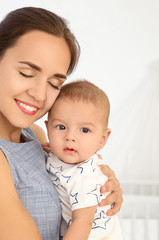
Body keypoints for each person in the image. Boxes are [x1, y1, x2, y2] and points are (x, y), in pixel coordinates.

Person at [0, 7, 123, 239]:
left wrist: (100, 192)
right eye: (27, 73)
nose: (39, 94)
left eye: (54, 83)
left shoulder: (34, 134)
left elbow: (69, 187)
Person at [45, 80, 123, 239]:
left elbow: (82, 222)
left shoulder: (86, 177)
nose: (70, 137)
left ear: (102, 139)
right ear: (48, 128)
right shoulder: (56, 157)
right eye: (61, 127)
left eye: (84, 130)